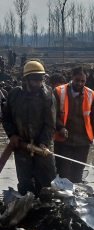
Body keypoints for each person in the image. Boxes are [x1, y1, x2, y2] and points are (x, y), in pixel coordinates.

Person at [1, 61, 56, 195]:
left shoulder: (47, 95)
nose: (39, 82)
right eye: (35, 79)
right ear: (26, 79)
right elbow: (6, 118)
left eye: (41, 79)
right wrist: (12, 135)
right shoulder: (14, 95)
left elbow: (50, 123)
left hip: (42, 147)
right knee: (25, 184)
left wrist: (44, 143)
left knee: (47, 184)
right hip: (22, 147)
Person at [53, 67, 94, 183]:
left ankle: (76, 196)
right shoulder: (59, 92)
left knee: (77, 173)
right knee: (63, 173)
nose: (79, 83)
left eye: (82, 81)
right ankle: (63, 198)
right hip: (63, 141)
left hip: (82, 142)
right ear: (71, 78)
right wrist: (60, 127)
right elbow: (52, 115)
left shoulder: (91, 95)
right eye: (77, 80)